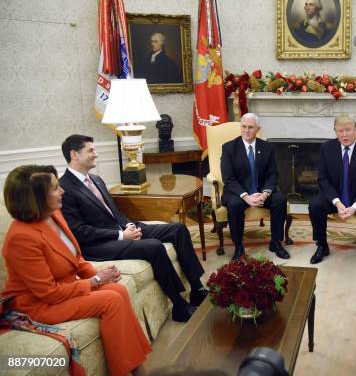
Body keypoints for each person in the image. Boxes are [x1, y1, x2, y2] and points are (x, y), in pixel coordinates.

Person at [2, 165, 151, 376]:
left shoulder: (54, 214)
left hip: (64, 289)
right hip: (38, 305)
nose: (62, 190)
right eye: (55, 188)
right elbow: (48, 293)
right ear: (35, 197)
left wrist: (99, 276)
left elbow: (76, 259)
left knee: (118, 290)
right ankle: (129, 371)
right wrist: (95, 281)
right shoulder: (21, 238)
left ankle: (133, 366)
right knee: (111, 299)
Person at [59, 135, 206, 323]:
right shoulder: (65, 188)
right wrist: (121, 235)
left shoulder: (96, 179)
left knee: (178, 229)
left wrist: (128, 225)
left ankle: (197, 289)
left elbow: (113, 212)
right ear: (74, 154)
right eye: (91, 150)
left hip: (121, 230)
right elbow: (79, 232)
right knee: (153, 246)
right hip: (98, 244)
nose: (96, 154)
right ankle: (178, 304)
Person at [309, 114, 356, 264]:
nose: (344, 135)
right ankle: (322, 245)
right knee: (315, 206)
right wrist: (336, 202)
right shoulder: (326, 148)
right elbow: (322, 179)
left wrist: (355, 206)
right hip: (336, 194)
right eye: (340, 131)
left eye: (348, 130)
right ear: (335, 131)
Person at [220, 113, 289, 261]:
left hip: (261, 191)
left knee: (280, 200)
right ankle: (239, 247)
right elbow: (228, 178)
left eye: (250, 127)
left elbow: (273, 175)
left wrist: (264, 194)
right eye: (243, 126)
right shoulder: (229, 148)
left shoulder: (267, 147)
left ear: (258, 129)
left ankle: (275, 242)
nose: (246, 130)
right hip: (237, 192)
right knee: (234, 205)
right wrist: (246, 196)